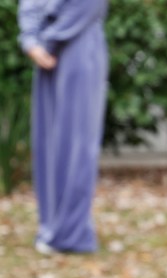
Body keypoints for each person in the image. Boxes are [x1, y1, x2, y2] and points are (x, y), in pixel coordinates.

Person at [17, 0, 109, 254]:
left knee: (78, 142)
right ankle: (50, 226)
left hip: (79, 48)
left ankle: (71, 232)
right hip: (47, 54)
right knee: (49, 141)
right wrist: (31, 42)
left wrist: (43, 41)